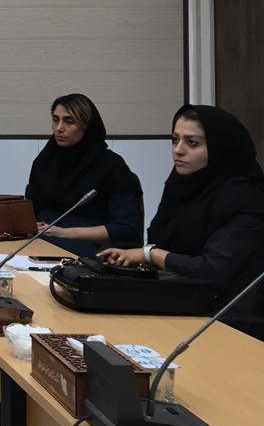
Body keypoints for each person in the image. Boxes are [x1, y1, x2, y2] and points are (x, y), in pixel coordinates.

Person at [100, 105, 264, 340]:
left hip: (229, 322)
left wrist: (150, 255)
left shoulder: (247, 199)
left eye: (192, 143)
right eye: (175, 140)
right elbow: (159, 240)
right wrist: (135, 259)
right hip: (179, 304)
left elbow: (211, 271)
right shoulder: (181, 185)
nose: (178, 150)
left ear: (220, 148)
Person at [25, 93, 144, 258]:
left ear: (86, 126)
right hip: (40, 244)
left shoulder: (112, 166)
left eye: (69, 121)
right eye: (55, 120)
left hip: (88, 251)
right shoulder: (44, 161)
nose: (59, 128)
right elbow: (31, 211)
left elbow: (127, 229)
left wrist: (64, 233)